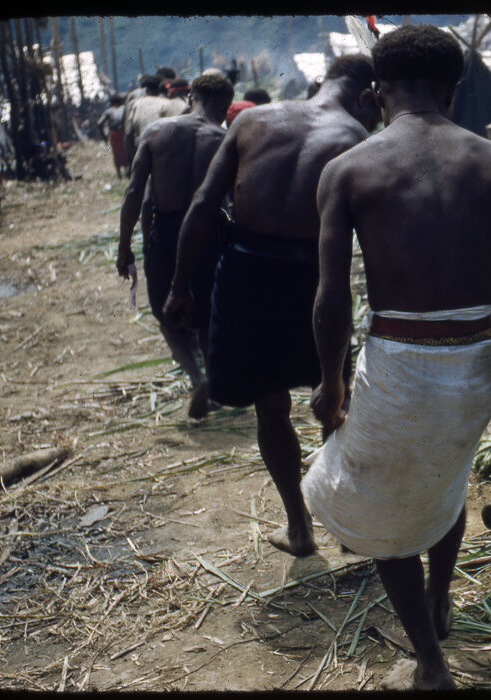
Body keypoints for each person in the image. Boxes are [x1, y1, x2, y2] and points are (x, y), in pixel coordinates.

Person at [305, 25, 491, 690]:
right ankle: (439, 603)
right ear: (453, 89)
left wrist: (330, 381)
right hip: (476, 359)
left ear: (378, 94)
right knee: (443, 479)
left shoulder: (350, 168)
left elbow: (331, 296)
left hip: (400, 362)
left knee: (386, 509)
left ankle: (429, 663)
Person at [162, 55, 381, 557]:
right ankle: (347, 527)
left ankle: (300, 527)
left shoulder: (253, 120)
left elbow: (201, 205)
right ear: (369, 98)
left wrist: (180, 286)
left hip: (247, 273)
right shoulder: (358, 141)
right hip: (316, 281)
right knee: (335, 400)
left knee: (270, 404)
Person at [116, 73, 235, 419]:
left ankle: (197, 377)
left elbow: (134, 194)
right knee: (205, 315)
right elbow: (233, 202)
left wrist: (125, 247)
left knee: (167, 316)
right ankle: (211, 379)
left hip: (166, 234)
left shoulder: (156, 133)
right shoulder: (224, 141)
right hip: (207, 234)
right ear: (226, 107)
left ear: (190, 98)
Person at [97, 94, 128, 177]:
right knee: (125, 151)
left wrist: (104, 137)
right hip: (123, 132)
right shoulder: (124, 109)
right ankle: (127, 171)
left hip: (113, 133)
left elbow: (99, 123)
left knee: (116, 153)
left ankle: (119, 174)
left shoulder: (108, 111)